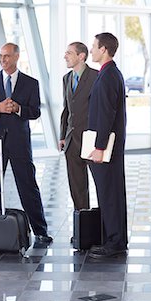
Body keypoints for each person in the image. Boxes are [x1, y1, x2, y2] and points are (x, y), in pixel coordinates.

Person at [0, 43, 53, 244]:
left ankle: (40, 230)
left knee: (28, 185)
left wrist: (19, 108)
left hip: (20, 142)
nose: (3, 60)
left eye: (7, 56)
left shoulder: (31, 83)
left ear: (17, 57)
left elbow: (35, 111)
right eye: (1, 56)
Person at [87, 32, 128, 258]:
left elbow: (106, 114)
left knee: (109, 193)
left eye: (94, 46)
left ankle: (114, 241)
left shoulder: (108, 75)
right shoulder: (111, 73)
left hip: (107, 148)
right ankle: (116, 238)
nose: (92, 50)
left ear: (104, 49)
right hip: (111, 145)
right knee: (112, 192)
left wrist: (100, 147)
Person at [59, 42, 98, 211]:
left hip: (92, 140)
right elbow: (67, 109)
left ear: (81, 56)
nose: (65, 56)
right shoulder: (67, 78)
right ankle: (83, 224)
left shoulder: (96, 77)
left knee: (100, 184)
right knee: (77, 187)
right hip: (71, 140)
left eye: (69, 53)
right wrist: (62, 136)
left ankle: (105, 226)